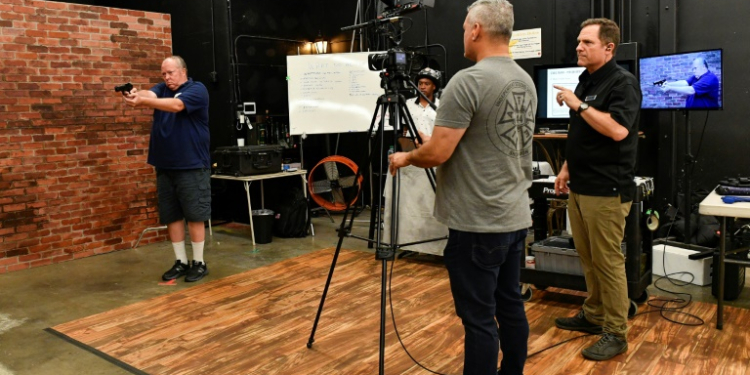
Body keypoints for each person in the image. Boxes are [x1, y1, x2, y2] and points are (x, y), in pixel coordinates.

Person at [389, 1, 536, 373]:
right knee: (510, 307)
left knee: (479, 320)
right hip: (515, 218)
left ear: (476, 30)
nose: (462, 34)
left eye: (464, 26)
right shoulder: (525, 80)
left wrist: (405, 157)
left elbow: (438, 152)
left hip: (477, 224)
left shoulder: (468, 80)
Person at [552, 18, 641, 361]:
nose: (578, 46)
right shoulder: (586, 80)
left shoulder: (623, 83)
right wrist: (565, 168)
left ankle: (616, 333)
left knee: (608, 263)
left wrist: (579, 104)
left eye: (587, 42)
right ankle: (594, 314)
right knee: (588, 259)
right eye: (578, 41)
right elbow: (582, 133)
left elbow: (618, 131)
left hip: (606, 189)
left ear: (608, 48)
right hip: (580, 185)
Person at [123, 56, 211, 282]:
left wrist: (143, 102)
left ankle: (199, 263)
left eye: (171, 72)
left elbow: (176, 106)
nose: (167, 77)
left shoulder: (197, 89)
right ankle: (181, 262)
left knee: (194, 215)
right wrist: (135, 94)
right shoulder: (162, 88)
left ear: (183, 71)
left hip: (191, 165)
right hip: (165, 166)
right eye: (163, 74)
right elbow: (149, 94)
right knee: (172, 216)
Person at [383, 67, 447, 256]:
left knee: (431, 204)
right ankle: (407, 244)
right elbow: (401, 130)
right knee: (408, 206)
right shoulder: (408, 105)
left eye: (427, 84)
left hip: (433, 159)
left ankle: (437, 247)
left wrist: (429, 140)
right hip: (410, 158)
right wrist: (410, 141)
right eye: (420, 83)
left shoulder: (441, 106)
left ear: (434, 86)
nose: (422, 87)